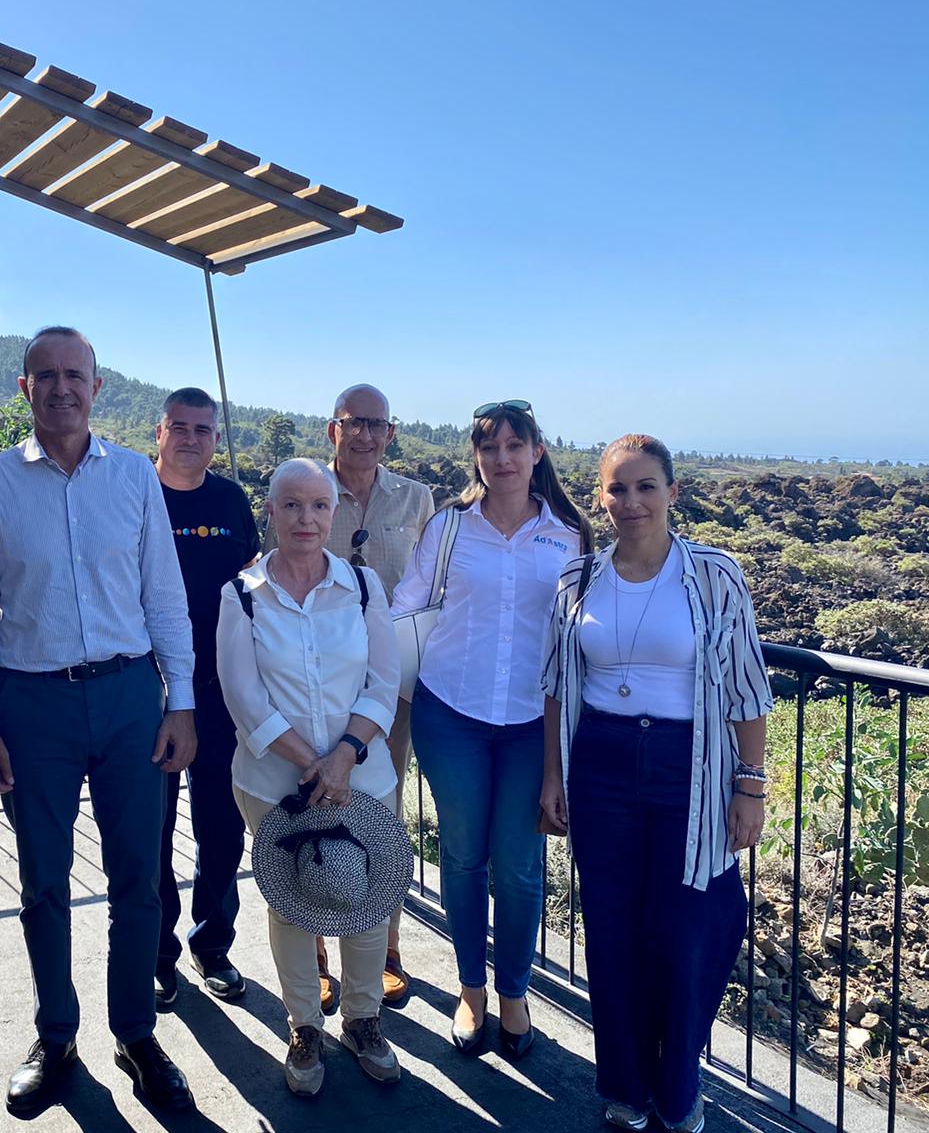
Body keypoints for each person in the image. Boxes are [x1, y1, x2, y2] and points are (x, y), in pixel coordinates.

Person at [0, 326, 199, 1114]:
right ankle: (56, 1034)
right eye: (45, 375)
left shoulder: (134, 477)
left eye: (75, 375)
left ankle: (135, 1031)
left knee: (139, 877)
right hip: (35, 705)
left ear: (97, 388)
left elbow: (164, 595)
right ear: (23, 389)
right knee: (41, 882)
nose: (61, 387)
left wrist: (182, 700)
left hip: (131, 698)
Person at [541, 434, 770, 1133]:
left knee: (691, 928)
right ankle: (627, 1087)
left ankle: (680, 1085)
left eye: (646, 487)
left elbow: (747, 688)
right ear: (600, 498)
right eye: (618, 488)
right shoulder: (577, 580)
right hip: (601, 763)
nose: (631, 501)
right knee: (610, 932)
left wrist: (750, 784)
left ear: (673, 493)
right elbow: (556, 684)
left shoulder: (713, 575)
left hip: (689, 767)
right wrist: (553, 772)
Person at [390, 400, 592, 1058]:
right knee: (464, 856)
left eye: (515, 445)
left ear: (537, 451)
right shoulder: (449, 527)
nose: (502, 458)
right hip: (451, 712)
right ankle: (471, 991)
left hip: (534, 723)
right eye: (490, 446)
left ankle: (514, 992)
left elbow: (585, 633)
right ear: (476, 455)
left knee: (521, 867)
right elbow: (403, 608)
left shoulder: (569, 534)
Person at [220, 457, 404, 1095]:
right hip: (275, 783)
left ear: (334, 513)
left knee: (364, 892)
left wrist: (345, 756)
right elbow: (244, 699)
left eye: (318, 506)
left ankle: (362, 1018)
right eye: (291, 505)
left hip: (365, 777)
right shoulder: (240, 594)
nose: (306, 518)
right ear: (269, 512)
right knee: (293, 899)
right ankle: (304, 1025)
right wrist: (312, 764)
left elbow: (385, 679)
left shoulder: (362, 586)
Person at [302, 385, 434, 1008]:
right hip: (315, 684)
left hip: (390, 689)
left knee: (382, 816)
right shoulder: (306, 491)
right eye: (354, 423)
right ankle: (319, 956)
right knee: (311, 811)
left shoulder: (417, 499)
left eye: (376, 424)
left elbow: (435, 587)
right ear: (334, 429)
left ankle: (384, 948)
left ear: (390, 433)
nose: (364, 435)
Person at [152, 387, 260, 1010]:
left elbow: (251, 586)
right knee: (153, 831)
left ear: (215, 439)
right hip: (156, 688)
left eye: (203, 430)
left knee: (222, 828)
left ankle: (212, 943)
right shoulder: (136, 494)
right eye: (180, 427)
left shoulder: (230, 501)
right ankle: (158, 955)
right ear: (159, 433)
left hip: (222, 690)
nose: (191, 439)